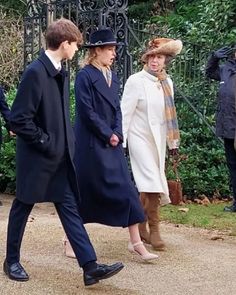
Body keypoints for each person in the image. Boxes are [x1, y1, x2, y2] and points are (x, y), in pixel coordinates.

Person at [3, 18, 124, 286]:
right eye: (76, 44)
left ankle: (90, 266)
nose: (77, 49)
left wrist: (63, 144)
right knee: (22, 206)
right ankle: (11, 260)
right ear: (64, 43)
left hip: (59, 158)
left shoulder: (60, 70)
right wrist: (46, 142)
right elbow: (19, 120)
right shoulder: (36, 72)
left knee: (69, 208)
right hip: (37, 158)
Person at [73, 28, 158, 261]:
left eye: (114, 49)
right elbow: (86, 111)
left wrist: (118, 133)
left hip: (111, 143)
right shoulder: (84, 76)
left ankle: (136, 243)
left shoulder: (113, 75)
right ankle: (69, 239)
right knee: (85, 194)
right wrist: (106, 134)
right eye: (109, 49)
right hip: (92, 146)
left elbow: (117, 108)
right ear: (97, 50)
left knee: (128, 191)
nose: (113, 54)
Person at [121, 37, 183, 250]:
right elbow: (124, 113)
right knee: (152, 183)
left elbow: (169, 116)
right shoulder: (135, 80)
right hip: (140, 139)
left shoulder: (167, 82)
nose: (155, 61)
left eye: (159, 57)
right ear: (146, 59)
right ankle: (155, 229)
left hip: (159, 140)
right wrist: (121, 142)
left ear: (166, 60)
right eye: (152, 57)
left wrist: (173, 142)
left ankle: (139, 224)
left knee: (151, 184)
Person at [206, 45, 236, 212]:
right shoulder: (227, 70)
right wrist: (214, 58)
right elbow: (210, 72)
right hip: (229, 128)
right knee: (232, 166)